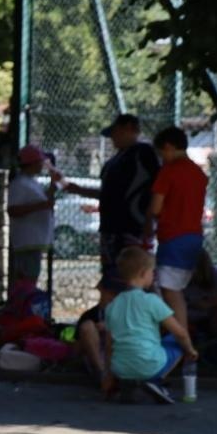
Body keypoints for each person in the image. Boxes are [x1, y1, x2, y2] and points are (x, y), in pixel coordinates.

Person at [64, 112, 161, 298]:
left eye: (116, 132)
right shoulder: (112, 163)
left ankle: (147, 315)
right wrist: (79, 190)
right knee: (113, 275)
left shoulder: (143, 153)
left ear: (129, 130)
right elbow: (108, 194)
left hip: (133, 226)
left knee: (136, 274)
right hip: (110, 227)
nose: (113, 139)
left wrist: (150, 218)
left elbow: (156, 188)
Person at [103, 246, 198, 405]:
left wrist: (109, 374)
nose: (153, 275)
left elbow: (109, 345)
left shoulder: (112, 306)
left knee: (131, 349)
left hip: (120, 368)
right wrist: (190, 350)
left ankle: (129, 385)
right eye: (152, 272)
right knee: (176, 343)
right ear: (142, 273)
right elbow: (180, 333)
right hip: (149, 364)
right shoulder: (151, 301)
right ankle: (155, 381)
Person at [146, 126, 208, 337]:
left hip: (173, 236)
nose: (161, 158)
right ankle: (178, 336)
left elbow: (155, 207)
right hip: (193, 236)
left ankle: (182, 342)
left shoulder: (169, 171)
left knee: (170, 291)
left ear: (169, 147)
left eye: (161, 153)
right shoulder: (198, 172)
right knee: (175, 289)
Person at [6, 145, 59, 292]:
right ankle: (22, 310)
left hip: (34, 240)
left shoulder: (30, 182)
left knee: (29, 278)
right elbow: (13, 210)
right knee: (27, 280)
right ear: (33, 163)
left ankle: (23, 309)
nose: (42, 164)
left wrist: (52, 186)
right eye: (40, 161)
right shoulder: (20, 184)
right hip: (27, 241)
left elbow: (44, 203)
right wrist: (41, 206)